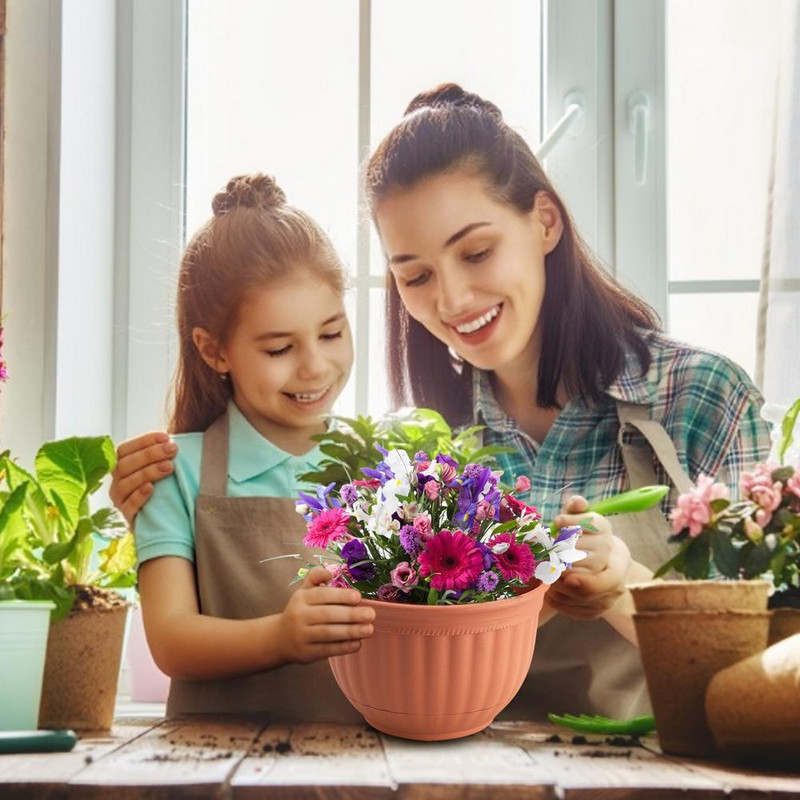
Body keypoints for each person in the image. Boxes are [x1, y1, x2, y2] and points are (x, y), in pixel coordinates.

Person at [112, 86, 772, 720]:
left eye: (477, 251)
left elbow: (757, 665)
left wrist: (621, 585)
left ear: (545, 221)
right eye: (417, 276)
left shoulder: (700, 398)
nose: (452, 300)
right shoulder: (420, 448)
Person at [126, 172, 374, 720]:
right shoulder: (174, 472)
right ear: (214, 351)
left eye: (331, 333)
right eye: (280, 347)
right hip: (213, 766)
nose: (315, 366)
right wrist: (280, 638)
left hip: (363, 766)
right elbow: (170, 640)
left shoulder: (382, 467)